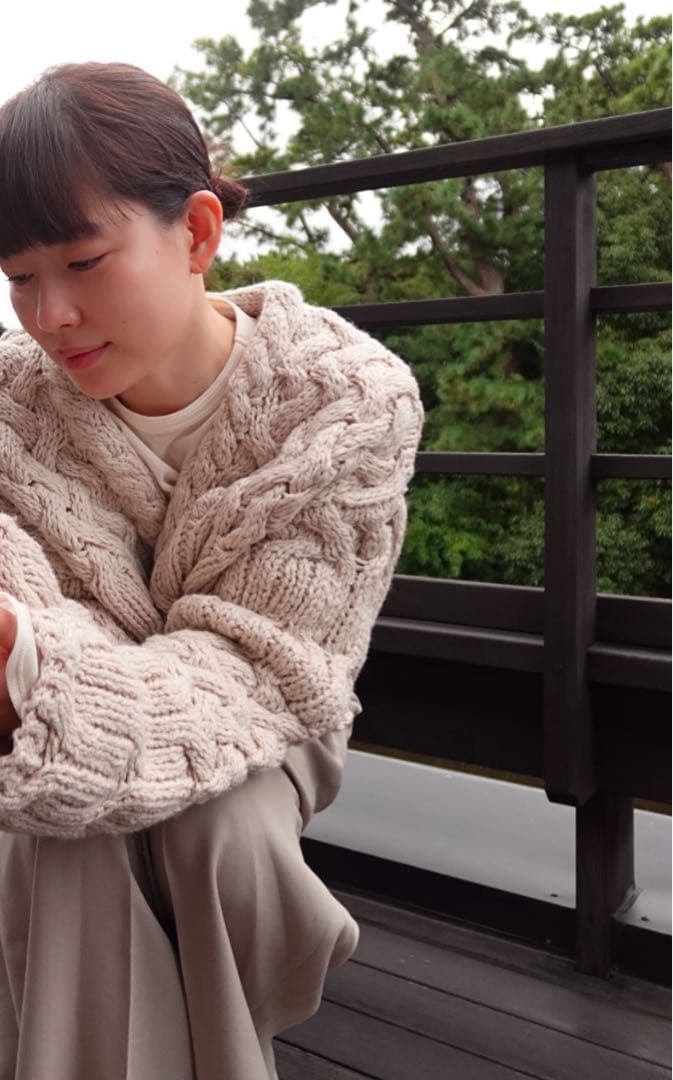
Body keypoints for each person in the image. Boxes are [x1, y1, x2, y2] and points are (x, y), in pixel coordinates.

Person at [0, 62, 424, 1080]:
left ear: (196, 233)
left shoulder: (343, 404)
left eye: (84, 262)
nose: (51, 316)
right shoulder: (11, 407)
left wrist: (37, 671)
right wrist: (35, 667)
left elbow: (260, 665)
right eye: (18, 279)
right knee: (72, 829)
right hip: (46, 697)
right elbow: (33, 614)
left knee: (213, 823)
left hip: (268, 712)